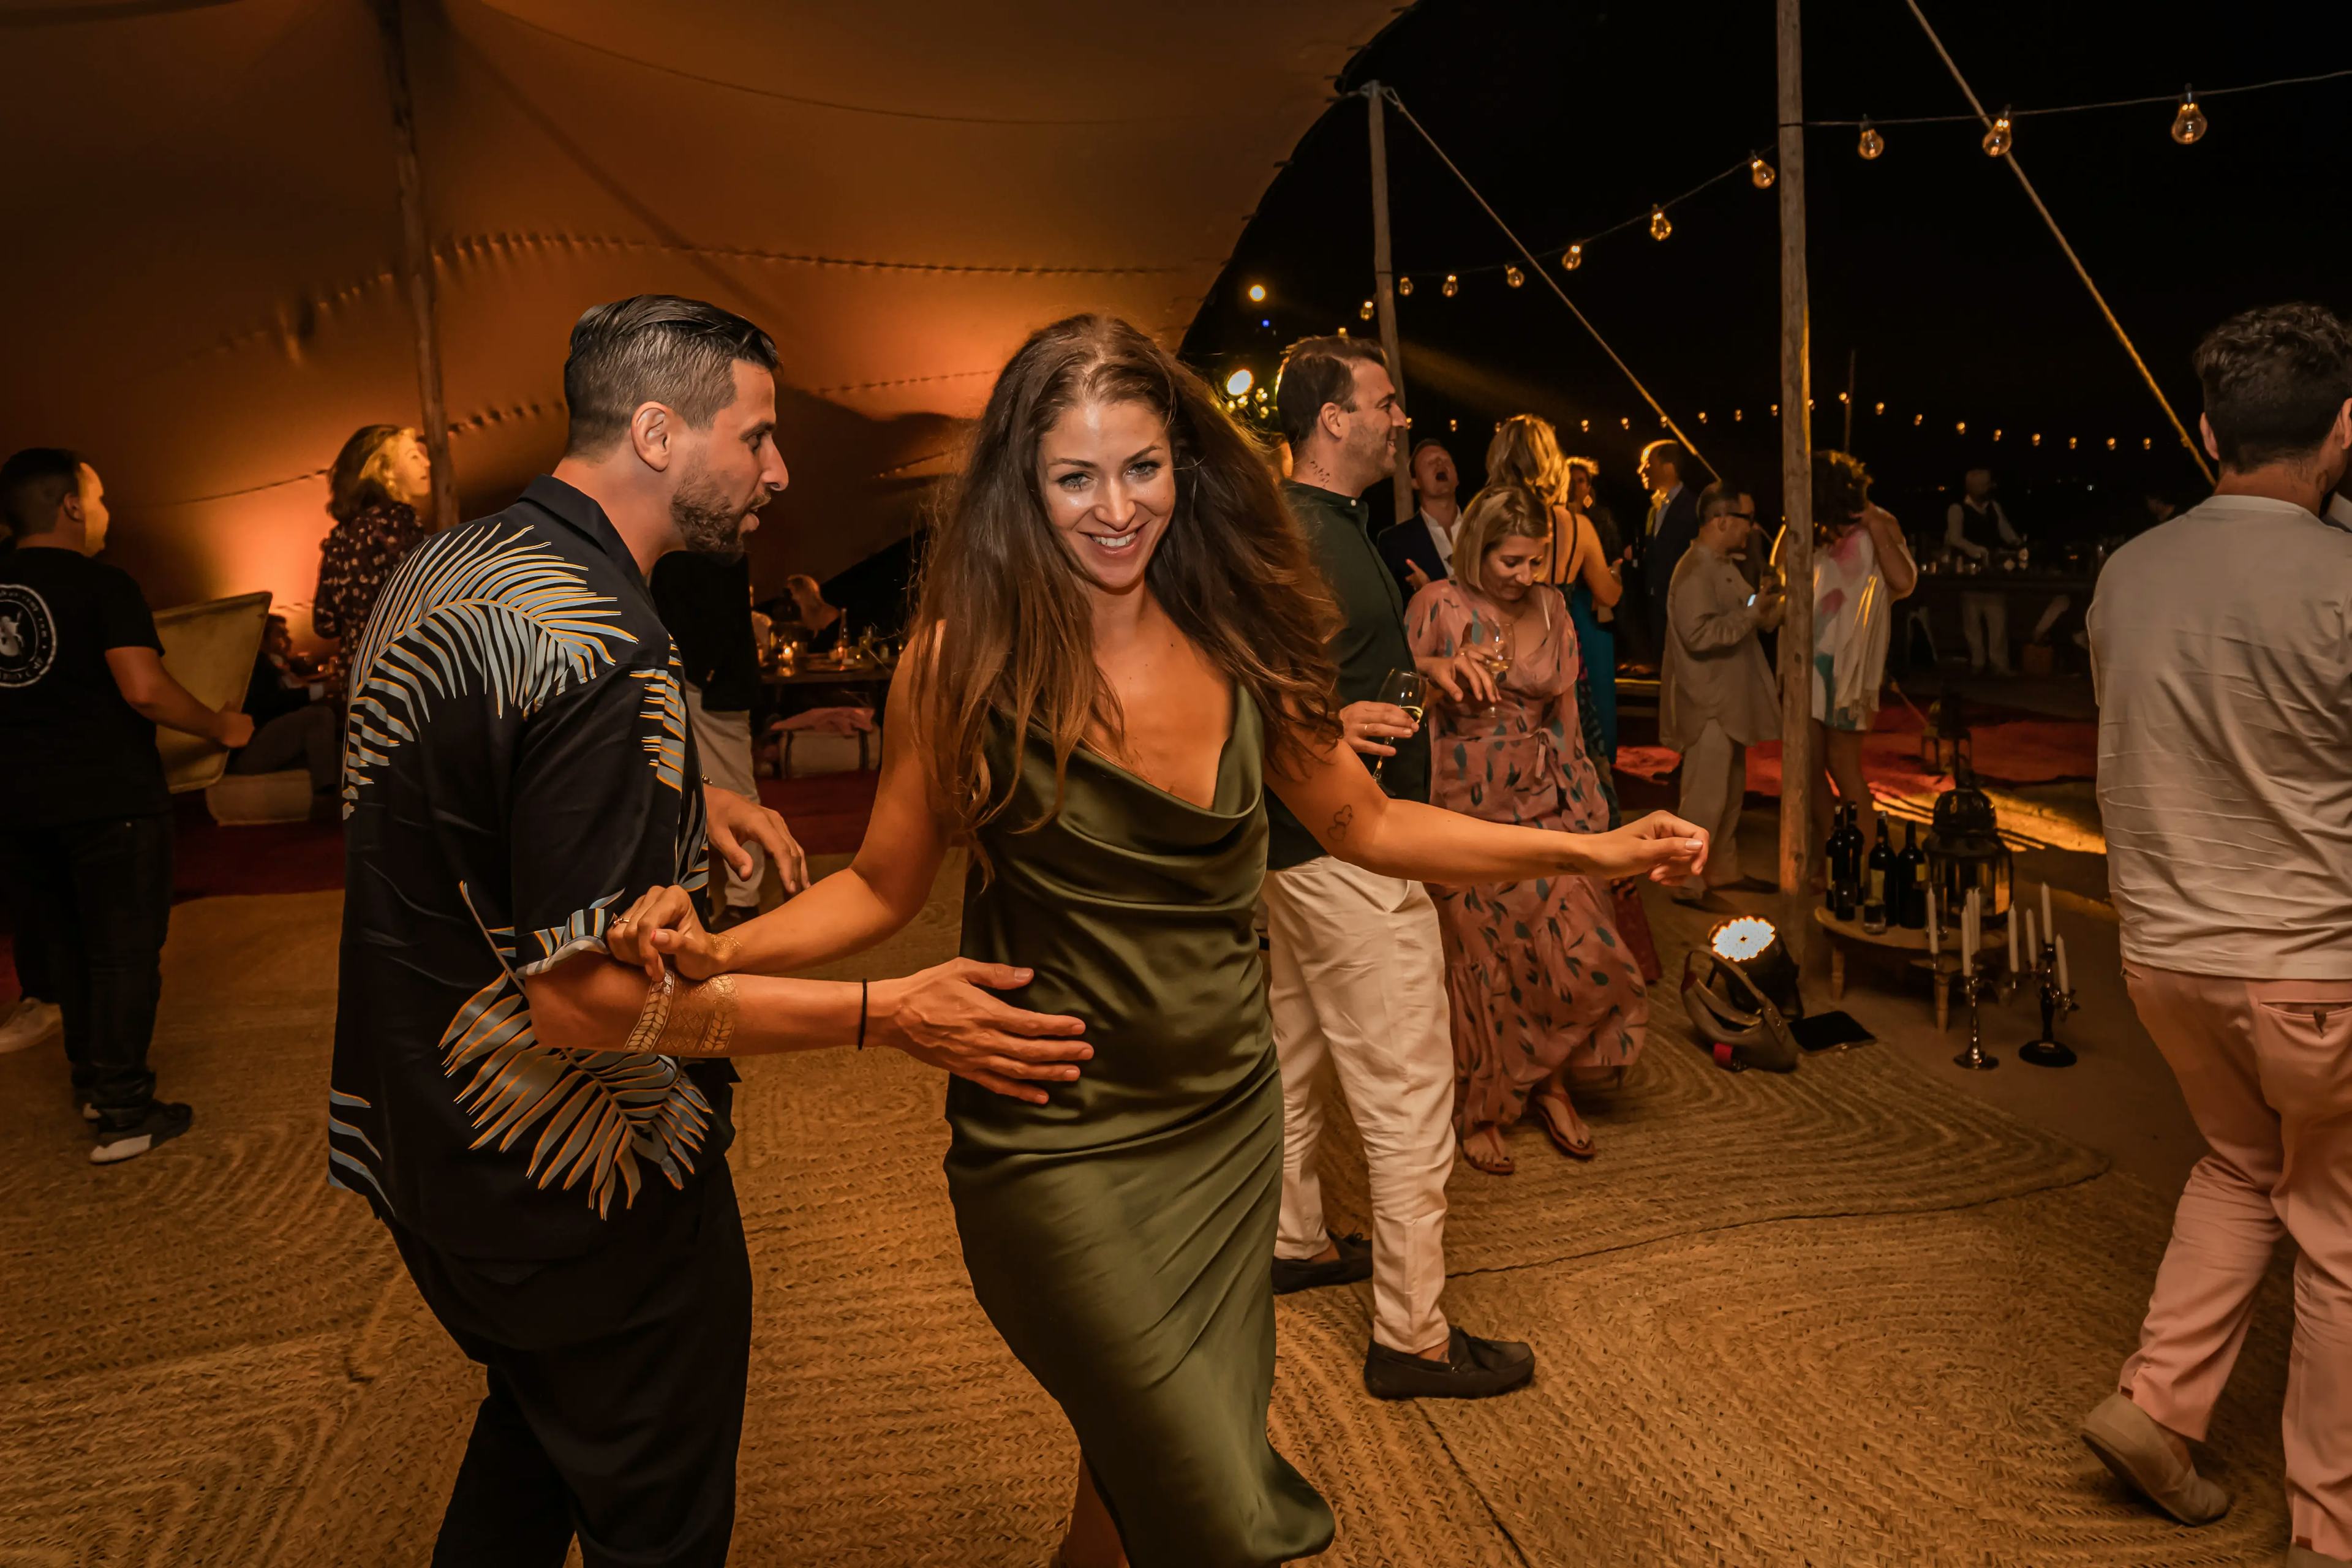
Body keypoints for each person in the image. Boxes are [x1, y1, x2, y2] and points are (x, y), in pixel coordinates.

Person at [606, 315, 1707, 1568]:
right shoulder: (959, 662)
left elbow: (1371, 822)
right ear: (1024, 484)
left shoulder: (1242, 647)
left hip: (1220, 1129)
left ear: (1183, 465)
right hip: (1051, 1136)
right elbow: (878, 886)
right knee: (1202, 1493)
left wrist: (1597, 852)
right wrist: (724, 950)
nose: (1114, 506)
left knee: (1125, 1494)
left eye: (1141, 467)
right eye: (1075, 476)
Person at [325, 296, 1097, 1568]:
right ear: (655, 431)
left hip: (415, 1144)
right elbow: (581, 1005)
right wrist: (887, 1010)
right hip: (573, 1189)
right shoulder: (606, 648)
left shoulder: (455, 562)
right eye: (757, 435)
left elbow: (457, 793)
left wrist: (687, 792)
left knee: (534, 1434)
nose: (778, 472)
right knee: (658, 1521)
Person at [2081, 301, 2352, 1568]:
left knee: (2242, 1168)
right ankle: (2328, 1525)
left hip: (2165, 955)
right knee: (2342, 1232)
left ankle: (2154, 1408)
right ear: (2344, 427)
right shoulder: (2343, 577)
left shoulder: (2129, 571)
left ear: (2206, 432)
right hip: (2310, 966)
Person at [0, 448, 254, 1161]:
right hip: (108, 800)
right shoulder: (103, 586)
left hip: (17, 810)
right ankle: (124, 1111)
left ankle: (92, 1084)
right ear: (71, 507)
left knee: (71, 953)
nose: (106, 511)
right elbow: (142, 686)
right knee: (121, 956)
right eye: (101, 496)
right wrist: (219, 725)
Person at [1406, 483, 1649, 1173]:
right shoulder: (1437, 606)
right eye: (1509, 561)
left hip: (1545, 800)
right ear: (1476, 548)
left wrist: (1594, 819)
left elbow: (1569, 717)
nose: (1524, 576)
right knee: (1487, 968)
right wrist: (1436, 678)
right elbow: (1405, 710)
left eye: (1534, 561)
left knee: (1578, 949)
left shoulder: (1553, 605)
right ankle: (1484, 1107)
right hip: (1463, 812)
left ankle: (1551, 1083)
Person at [651, 550, 806, 922]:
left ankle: (743, 901)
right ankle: (693, 896)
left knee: (736, 791)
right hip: (686, 678)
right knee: (676, 785)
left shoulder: (712, 535)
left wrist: (699, 673)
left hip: (710, 685)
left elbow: (723, 614)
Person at [1662, 484, 1782, 905]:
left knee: (1729, 794)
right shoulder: (1694, 570)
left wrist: (1763, 606)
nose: (1754, 528)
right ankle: (1685, 882)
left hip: (1727, 702)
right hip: (1707, 703)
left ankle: (1723, 871)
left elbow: (1744, 613)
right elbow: (1698, 635)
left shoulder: (1720, 566)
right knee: (1704, 799)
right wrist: (1751, 614)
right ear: (1722, 520)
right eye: (1748, 519)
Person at [1803, 450, 1917, 875]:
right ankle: (1822, 853)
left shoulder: (1876, 524)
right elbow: (1780, 569)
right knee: (1808, 765)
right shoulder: (1812, 527)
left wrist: (1876, 526)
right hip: (1807, 657)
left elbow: (1903, 581)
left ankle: (1870, 862)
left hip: (1847, 661)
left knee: (1842, 763)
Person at [1488, 414, 1624, 760]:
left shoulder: (1488, 520)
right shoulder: (1575, 526)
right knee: (1564, 759)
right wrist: (1616, 575)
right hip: (1559, 660)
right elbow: (1608, 595)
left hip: (1500, 654)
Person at [312, 424, 434, 654]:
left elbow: (324, 622)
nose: (426, 463)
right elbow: (427, 594)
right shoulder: (396, 521)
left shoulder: (340, 538)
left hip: (362, 676)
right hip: (407, 666)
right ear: (385, 470)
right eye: (413, 457)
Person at [227, 612, 340, 808]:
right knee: (318, 717)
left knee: (337, 749)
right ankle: (324, 797)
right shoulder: (256, 664)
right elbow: (273, 704)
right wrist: (324, 689)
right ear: (262, 637)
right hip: (249, 748)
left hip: (269, 746)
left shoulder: (278, 666)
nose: (287, 640)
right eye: (280, 634)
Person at [1945, 467, 2021, 674]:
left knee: (1997, 618)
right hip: (1969, 572)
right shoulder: (1957, 509)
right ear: (1973, 487)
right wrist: (1977, 551)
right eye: (1985, 484)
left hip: (1993, 572)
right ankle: (1978, 662)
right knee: (1972, 620)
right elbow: (1955, 537)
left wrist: (2017, 544)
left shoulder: (1993, 508)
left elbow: (2006, 532)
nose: (1990, 487)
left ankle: (1999, 663)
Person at [1637, 438, 1702, 660]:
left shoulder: (1694, 508)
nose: (1641, 470)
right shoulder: (1653, 510)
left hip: (1685, 607)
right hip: (1657, 607)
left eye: (1647, 464)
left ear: (1668, 467)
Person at [1374, 438, 1461, 593]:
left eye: (1445, 460)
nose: (1440, 464)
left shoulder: (1485, 528)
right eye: (1430, 462)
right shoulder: (1394, 543)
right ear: (1415, 482)